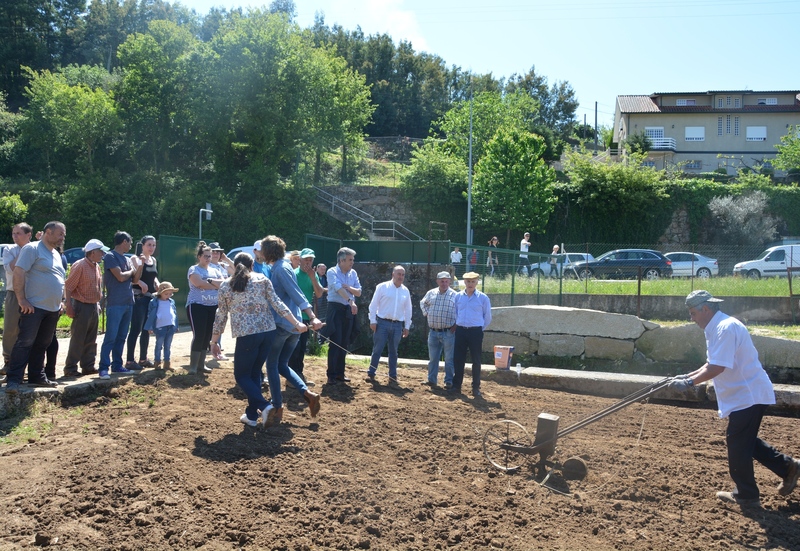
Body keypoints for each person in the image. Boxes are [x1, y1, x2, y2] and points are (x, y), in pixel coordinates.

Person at [669, 290, 800, 507]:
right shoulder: (718, 326)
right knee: (745, 441)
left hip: (748, 394)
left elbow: (717, 367)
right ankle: (788, 467)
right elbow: (711, 362)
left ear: (705, 309)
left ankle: (746, 495)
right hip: (747, 394)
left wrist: (691, 383)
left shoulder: (725, 328)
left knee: (738, 443)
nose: (691, 319)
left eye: (693, 313)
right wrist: (687, 376)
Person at [211, 252, 320, 428]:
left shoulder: (226, 285)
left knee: (241, 376)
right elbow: (278, 304)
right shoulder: (262, 279)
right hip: (268, 332)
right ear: (252, 265)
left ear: (234, 266)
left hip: (247, 335)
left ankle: (265, 406)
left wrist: (214, 341)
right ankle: (251, 416)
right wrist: (297, 323)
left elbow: (221, 316)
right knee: (254, 373)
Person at [3, 221, 66, 394]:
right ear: (48, 232)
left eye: (63, 234)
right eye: (60, 234)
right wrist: (21, 299)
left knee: (43, 343)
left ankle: (36, 377)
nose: (62, 238)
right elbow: (19, 272)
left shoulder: (55, 254)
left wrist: (62, 301)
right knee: (25, 342)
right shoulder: (32, 249)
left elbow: (60, 279)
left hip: (52, 308)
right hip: (33, 306)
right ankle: (14, 380)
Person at [263, 236, 323, 406]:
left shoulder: (281, 269)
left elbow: (296, 294)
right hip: (294, 326)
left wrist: (311, 316)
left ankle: (276, 403)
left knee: (272, 365)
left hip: (283, 325)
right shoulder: (284, 267)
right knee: (282, 364)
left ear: (268, 252)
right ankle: (306, 392)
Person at [99, 231, 142, 380]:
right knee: (111, 336)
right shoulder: (110, 256)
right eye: (129, 242)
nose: (130, 245)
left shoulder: (128, 259)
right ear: (124, 241)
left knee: (122, 336)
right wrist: (131, 270)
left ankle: (117, 365)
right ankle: (103, 368)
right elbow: (121, 277)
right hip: (115, 303)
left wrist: (140, 266)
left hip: (128, 302)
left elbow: (134, 279)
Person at [62, 239, 107, 378]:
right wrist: (68, 305)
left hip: (93, 305)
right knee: (78, 338)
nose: (103, 254)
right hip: (81, 305)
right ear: (92, 253)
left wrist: (97, 304)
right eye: (100, 251)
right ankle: (70, 368)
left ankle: (88, 366)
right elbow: (68, 287)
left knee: (91, 339)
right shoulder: (80, 265)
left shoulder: (96, 266)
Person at [365, 265, 412, 385]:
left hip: (397, 325)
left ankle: (392, 376)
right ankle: (371, 373)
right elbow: (373, 304)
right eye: (398, 274)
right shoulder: (382, 287)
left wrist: (407, 326)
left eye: (402, 275)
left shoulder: (405, 291)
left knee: (394, 351)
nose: (400, 277)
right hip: (382, 323)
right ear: (393, 274)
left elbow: (408, 309)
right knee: (377, 349)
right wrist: (372, 320)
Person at [450, 271, 492, 398]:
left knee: (476, 360)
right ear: (464, 282)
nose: (470, 284)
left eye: (473, 281)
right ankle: (456, 386)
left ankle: (475, 388)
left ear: (477, 282)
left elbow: (488, 317)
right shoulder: (458, 297)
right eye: (468, 282)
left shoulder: (483, 298)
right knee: (458, 359)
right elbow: (456, 312)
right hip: (461, 330)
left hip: (475, 332)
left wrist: (479, 328)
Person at [288, 248, 324, 385]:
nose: (308, 262)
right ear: (300, 260)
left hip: (306, 316)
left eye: (311, 260)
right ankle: (292, 378)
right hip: (294, 316)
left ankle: (299, 375)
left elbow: (319, 294)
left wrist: (312, 278)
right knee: (294, 348)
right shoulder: (293, 274)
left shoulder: (313, 275)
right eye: (306, 259)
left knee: (302, 347)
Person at [325, 247, 361, 385]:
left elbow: (359, 292)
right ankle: (331, 374)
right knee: (335, 341)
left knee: (344, 342)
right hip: (335, 309)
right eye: (350, 260)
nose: (352, 262)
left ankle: (340, 373)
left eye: (352, 259)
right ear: (341, 260)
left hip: (348, 310)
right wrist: (351, 300)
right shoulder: (331, 271)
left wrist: (350, 289)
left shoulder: (353, 273)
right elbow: (338, 288)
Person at [186, 242, 222, 374]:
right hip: (197, 305)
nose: (208, 258)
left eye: (210, 256)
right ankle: (193, 367)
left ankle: (201, 365)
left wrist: (210, 283)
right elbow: (199, 284)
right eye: (206, 256)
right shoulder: (194, 269)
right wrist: (213, 283)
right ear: (199, 256)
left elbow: (223, 284)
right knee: (199, 335)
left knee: (207, 336)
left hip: (212, 306)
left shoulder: (215, 270)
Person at [2, 222, 33, 374]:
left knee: (30, 330)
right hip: (14, 293)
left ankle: (27, 366)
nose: (14, 236)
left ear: (28, 235)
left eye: (18, 233)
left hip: (32, 294)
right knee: (10, 328)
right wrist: (25, 251)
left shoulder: (36, 249)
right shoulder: (10, 249)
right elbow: (11, 268)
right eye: (13, 233)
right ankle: (8, 362)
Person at [126, 235, 160, 370]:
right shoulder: (135, 259)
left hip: (150, 298)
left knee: (146, 330)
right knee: (135, 329)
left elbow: (154, 277)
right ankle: (129, 360)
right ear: (143, 245)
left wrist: (158, 284)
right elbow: (133, 277)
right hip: (139, 298)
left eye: (154, 245)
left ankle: (143, 359)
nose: (151, 247)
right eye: (149, 245)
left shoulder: (154, 260)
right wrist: (139, 282)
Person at [420, 271, 457, 389]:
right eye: (442, 281)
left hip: (448, 332)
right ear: (437, 281)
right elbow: (422, 303)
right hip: (433, 332)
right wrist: (427, 313)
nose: (444, 283)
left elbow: (461, 311)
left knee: (449, 359)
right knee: (433, 358)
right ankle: (431, 380)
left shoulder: (455, 296)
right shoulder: (431, 293)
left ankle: (449, 381)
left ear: (449, 282)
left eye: (446, 281)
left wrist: (456, 325)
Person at [144, 282, 180, 371]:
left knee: (168, 345)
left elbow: (174, 314)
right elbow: (150, 314)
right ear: (160, 293)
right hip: (160, 327)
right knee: (159, 345)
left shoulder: (171, 302)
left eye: (170, 294)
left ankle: (167, 363)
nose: (168, 295)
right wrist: (150, 327)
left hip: (170, 326)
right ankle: (157, 362)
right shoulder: (155, 302)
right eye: (166, 294)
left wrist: (176, 325)